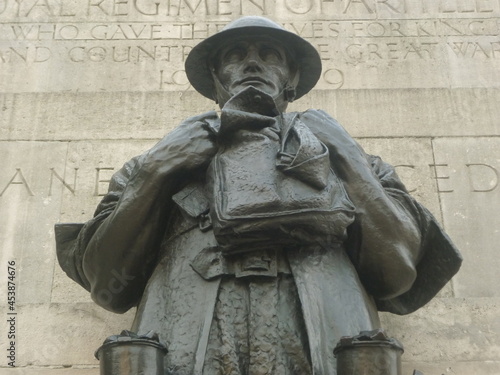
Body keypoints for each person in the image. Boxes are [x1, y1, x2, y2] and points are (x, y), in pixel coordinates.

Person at [55, 16, 462, 375]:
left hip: (322, 350)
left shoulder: (358, 163)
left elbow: (396, 275)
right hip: (189, 351)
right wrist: (155, 172)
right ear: (216, 79)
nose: (252, 62)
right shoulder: (158, 163)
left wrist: (348, 158)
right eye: (236, 54)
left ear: (293, 79)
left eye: (270, 54)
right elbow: (107, 285)